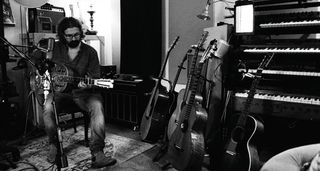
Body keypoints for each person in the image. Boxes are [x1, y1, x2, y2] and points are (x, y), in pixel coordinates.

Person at [32, 17, 116, 168]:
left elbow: (95, 76)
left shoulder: (90, 52)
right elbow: (36, 58)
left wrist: (87, 83)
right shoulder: (54, 48)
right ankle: (54, 145)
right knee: (48, 107)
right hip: (59, 92)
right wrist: (39, 67)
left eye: (76, 34)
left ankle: (98, 153)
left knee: (97, 107)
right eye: (69, 35)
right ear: (62, 35)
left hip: (84, 93)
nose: (73, 38)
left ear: (81, 33)